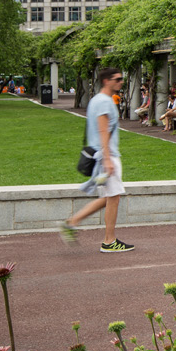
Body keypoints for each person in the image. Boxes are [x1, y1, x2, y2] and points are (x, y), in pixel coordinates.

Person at [62, 67, 134, 253]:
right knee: (113, 197)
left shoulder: (97, 100)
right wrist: (108, 160)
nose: (121, 82)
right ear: (106, 81)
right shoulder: (103, 102)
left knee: (108, 198)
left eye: (121, 79)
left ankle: (72, 223)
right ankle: (109, 241)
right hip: (106, 155)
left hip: (102, 155)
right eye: (117, 79)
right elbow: (103, 130)